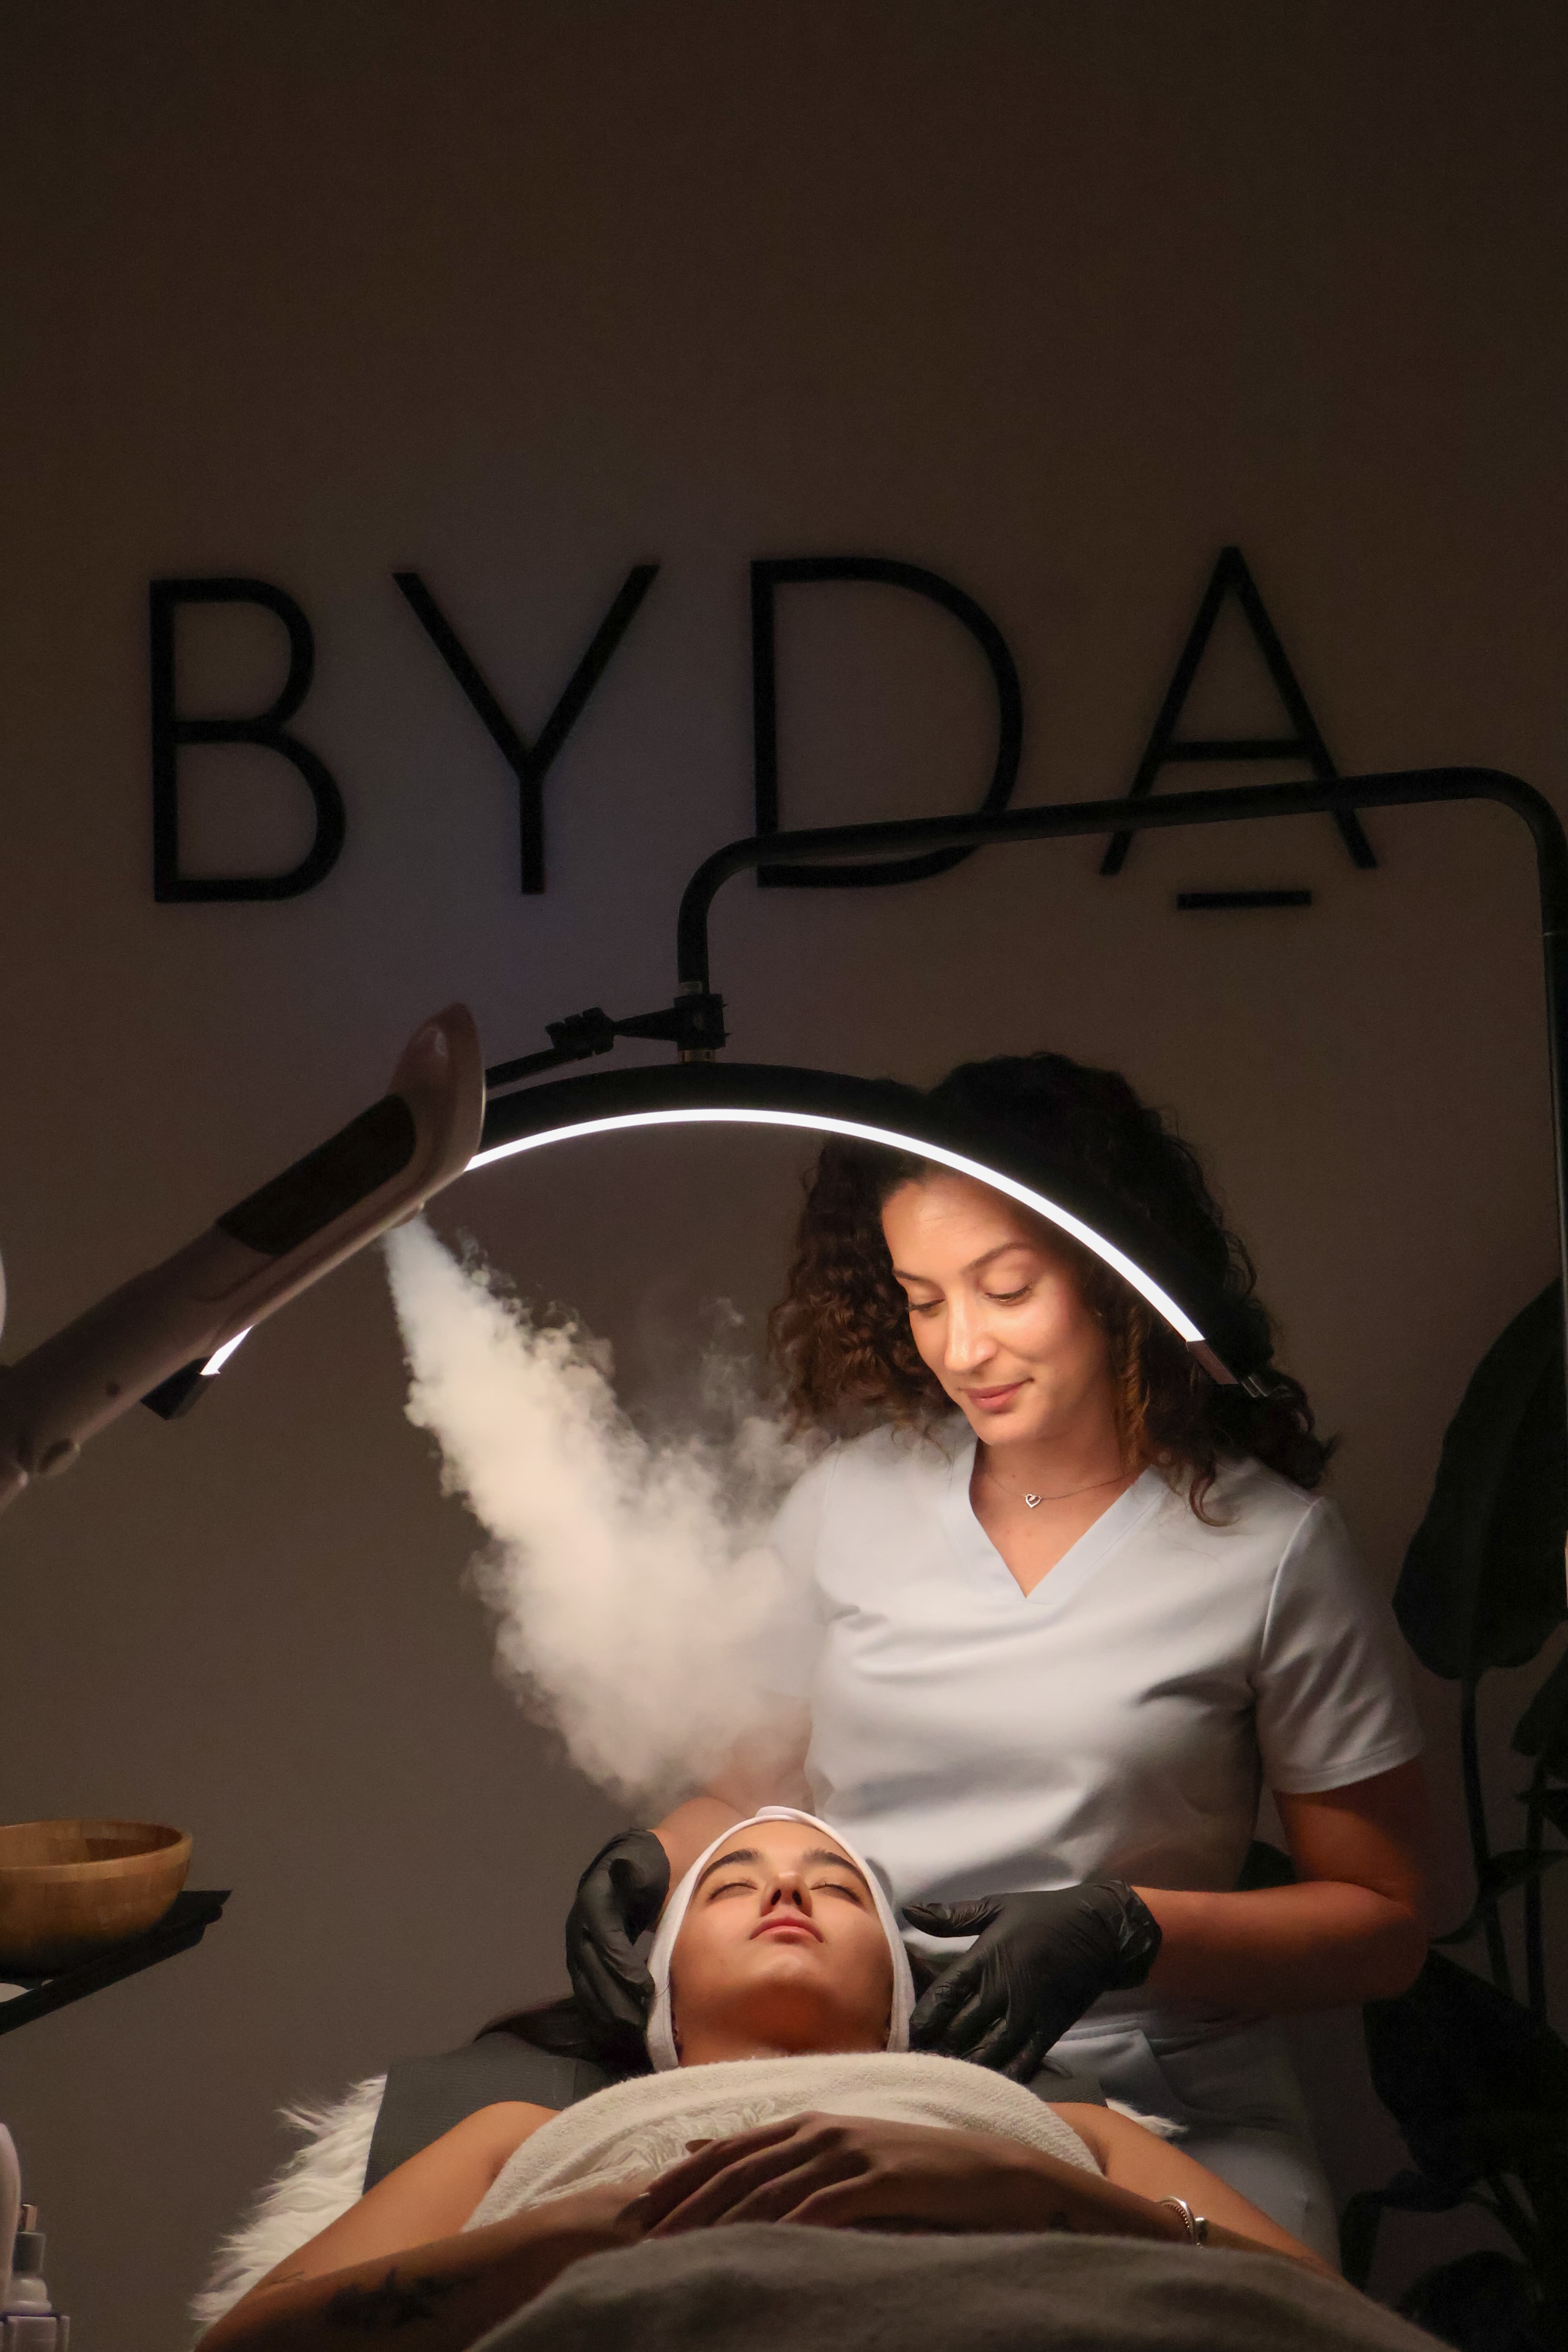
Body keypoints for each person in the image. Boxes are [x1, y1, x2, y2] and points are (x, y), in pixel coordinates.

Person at [566, 1053, 1430, 2262]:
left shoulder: (1273, 1551)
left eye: (1007, 1288)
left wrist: (1122, 1930)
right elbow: (753, 1791)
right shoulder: (849, 1505)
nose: (963, 1347)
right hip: (876, 2085)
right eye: (924, 1300)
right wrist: (648, 1862)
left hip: (1167, 2103)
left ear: (1115, 1277)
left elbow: (1385, 1921)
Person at [201, 1813, 1344, 2352]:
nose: (787, 1892)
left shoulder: (1056, 2124)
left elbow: (1331, 2322)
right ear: (663, 1994)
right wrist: (575, 2237)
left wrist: (1020, 2185)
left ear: (901, 1997)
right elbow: (248, 2346)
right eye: (733, 1883)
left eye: (837, 1890)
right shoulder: (519, 2131)